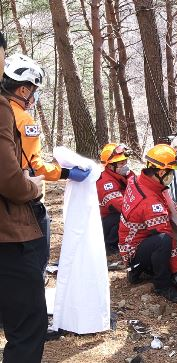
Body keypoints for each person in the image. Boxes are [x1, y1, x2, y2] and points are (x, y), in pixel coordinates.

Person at [1, 53, 90, 275]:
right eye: (34, 90)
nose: (34, 96)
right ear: (23, 90)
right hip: (23, 200)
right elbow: (35, 167)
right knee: (34, 261)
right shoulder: (23, 119)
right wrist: (67, 172)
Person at [0, 31, 48, 363]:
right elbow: (29, 168)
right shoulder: (17, 114)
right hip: (10, 226)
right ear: (24, 89)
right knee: (29, 322)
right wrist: (39, 184)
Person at [118, 144, 177, 303]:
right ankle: (162, 285)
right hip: (133, 254)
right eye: (171, 172)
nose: (172, 176)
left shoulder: (137, 180)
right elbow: (166, 233)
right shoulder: (150, 203)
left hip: (128, 244)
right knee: (163, 241)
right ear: (161, 172)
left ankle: (142, 268)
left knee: (161, 240)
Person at [97, 143, 133, 256]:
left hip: (111, 219)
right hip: (104, 224)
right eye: (121, 163)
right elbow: (121, 205)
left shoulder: (124, 175)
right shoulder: (105, 182)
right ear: (110, 165)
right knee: (124, 216)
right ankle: (110, 246)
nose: (125, 165)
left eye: (125, 162)